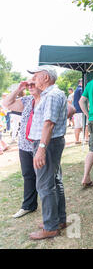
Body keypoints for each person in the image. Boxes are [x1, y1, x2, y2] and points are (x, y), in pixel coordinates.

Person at [2, 80, 75, 219]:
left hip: (43, 144)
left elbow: (71, 110)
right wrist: (19, 88)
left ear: (41, 85)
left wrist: (54, 122)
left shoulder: (49, 98)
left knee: (50, 179)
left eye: (33, 84)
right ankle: (28, 205)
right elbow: (6, 103)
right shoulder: (27, 100)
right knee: (28, 175)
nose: (30, 87)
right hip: (25, 144)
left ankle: (55, 216)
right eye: (28, 85)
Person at [25, 66, 68, 240]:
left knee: (44, 185)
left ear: (46, 78)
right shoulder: (52, 94)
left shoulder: (51, 95)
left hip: (48, 144)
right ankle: (59, 220)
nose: (33, 79)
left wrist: (41, 149)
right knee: (54, 181)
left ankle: (51, 227)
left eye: (36, 76)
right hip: (51, 143)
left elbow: (49, 124)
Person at [73, 79, 87, 144]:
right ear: (81, 82)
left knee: (77, 126)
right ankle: (87, 138)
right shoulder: (81, 89)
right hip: (81, 110)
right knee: (86, 124)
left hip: (76, 110)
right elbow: (83, 98)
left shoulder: (76, 89)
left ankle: (77, 140)